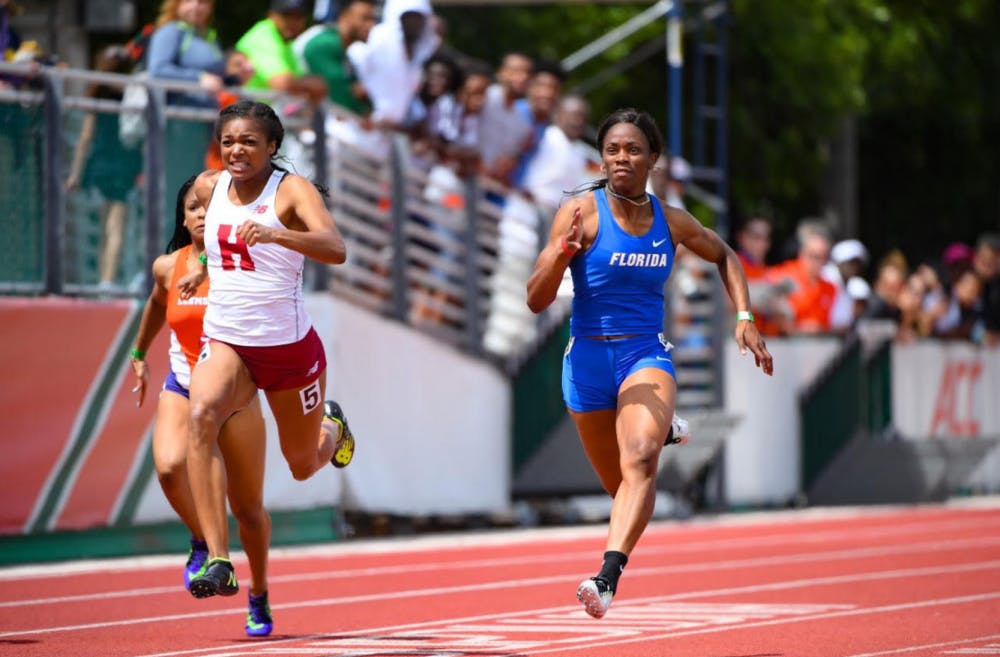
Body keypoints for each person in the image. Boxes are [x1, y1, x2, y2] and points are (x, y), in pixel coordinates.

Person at [525, 108, 773, 619]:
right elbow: (535, 299)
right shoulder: (580, 213)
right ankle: (664, 428)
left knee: (639, 460)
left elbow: (725, 254)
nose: (622, 158)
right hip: (588, 358)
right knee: (622, 486)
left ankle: (606, 577)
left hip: (644, 352)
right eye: (613, 149)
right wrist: (559, 256)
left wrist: (745, 315)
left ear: (653, 159)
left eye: (633, 149)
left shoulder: (671, 220)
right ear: (601, 156)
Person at [178, 99, 356, 598]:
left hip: (288, 350)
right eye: (229, 141)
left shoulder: (290, 190)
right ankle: (218, 559)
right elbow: (207, 238)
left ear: (272, 147)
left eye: (250, 142)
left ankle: (332, 425)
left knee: (302, 465)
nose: (237, 151)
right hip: (229, 339)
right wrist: (199, 266)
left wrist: (278, 233)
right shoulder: (209, 186)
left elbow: (336, 248)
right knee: (201, 417)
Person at [130, 176, 274, 636]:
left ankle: (260, 592)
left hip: (235, 399)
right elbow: (157, 305)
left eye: (208, 208)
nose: (198, 214)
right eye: (191, 207)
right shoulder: (167, 266)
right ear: (182, 215)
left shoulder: (243, 264)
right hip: (184, 385)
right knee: (171, 468)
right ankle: (209, 548)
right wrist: (137, 355)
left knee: (249, 510)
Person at [146, 0, 234, 223]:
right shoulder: (170, 31)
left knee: (197, 192)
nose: (196, 6)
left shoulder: (208, 36)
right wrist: (198, 79)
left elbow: (217, 78)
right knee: (178, 192)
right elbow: (157, 70)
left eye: (203, 1)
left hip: (202, 130)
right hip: (177, 127)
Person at [65, 45, 143, 290]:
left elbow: (86, 136)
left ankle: (105, 279)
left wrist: (75, 172)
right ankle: (106, 280)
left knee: (105, 224)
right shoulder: (133, 94)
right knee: (116, 223)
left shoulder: (97, 93)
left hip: (101, 162)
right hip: (124, 161)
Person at [236, 0, 329, 104]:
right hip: (244, 114)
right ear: (271, 15)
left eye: (299, 17)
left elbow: (298, 80)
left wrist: (307, 85)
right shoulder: (262, 36)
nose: (293, 22)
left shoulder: (286, 42)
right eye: (287, 15)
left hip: (264, 114)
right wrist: (310, 86)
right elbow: (282, 83)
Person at [294, 0, 377, 115]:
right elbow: (340, 97)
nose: (371, 25)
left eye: (373, 19)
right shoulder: (326, 43)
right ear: (344, 16)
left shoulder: (344, 50)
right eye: (365, 18)